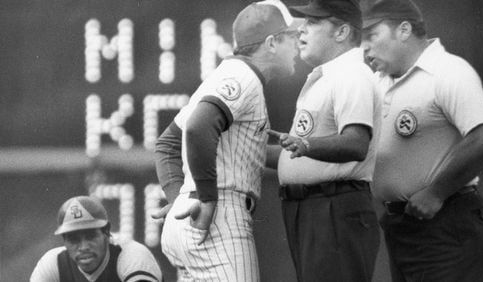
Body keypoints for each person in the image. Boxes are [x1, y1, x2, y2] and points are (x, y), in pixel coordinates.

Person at [153, 1, 301, 281]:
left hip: (191, 216)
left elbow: (168, 143)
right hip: (220, 215)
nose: (298, 43)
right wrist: (207, 199)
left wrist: (179, 200)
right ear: (271, 43)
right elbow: (198, 128)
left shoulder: (224, 76)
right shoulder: (242, 76)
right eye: (291, 37)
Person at [361, 0, 483, 281]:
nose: (365, 47)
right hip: (402, 224)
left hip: (446, 220)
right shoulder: (379, 81)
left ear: (403, 29)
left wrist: (436, 191)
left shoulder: (448, 71)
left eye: (372, 35)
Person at [266, 0, 381, 281]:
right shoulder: (326, 78)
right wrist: (242, 149)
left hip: (333, 208)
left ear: (342, 32)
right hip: (313, 210)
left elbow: (356, 143)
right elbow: (296, 154)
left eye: (313, 22)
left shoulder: (351, 74)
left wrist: (306, 145)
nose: (302, 30)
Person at [30, 195, 163, 282]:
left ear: (106, 232)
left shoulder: (133, 258)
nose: (83, 247)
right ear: (64, 241)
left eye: (90, 236)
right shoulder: (54, 264)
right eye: (74, 239)